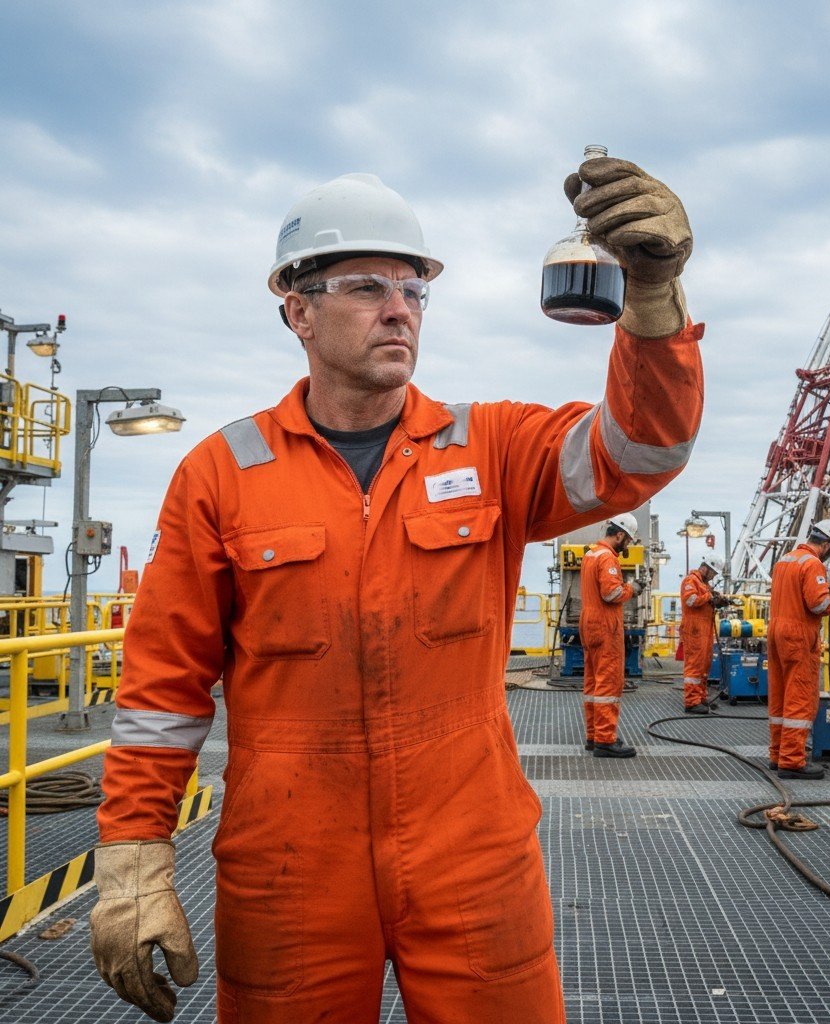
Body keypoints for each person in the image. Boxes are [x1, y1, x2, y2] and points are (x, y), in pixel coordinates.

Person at [88, 158, 705, 1024]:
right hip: (290, 869)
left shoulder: (489, 449)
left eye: (416, 289)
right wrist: (135, 859)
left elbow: (643, 451)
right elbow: (162, 692)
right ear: (297, 311)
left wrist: (652, 302)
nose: (399, 308)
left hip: (473, 859)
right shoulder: (222, 475)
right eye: (368, 285)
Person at [766, 519, 830, 779]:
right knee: (799, 697)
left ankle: (778, 753)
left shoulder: (786, 559)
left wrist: (826, 589)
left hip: (776, 631)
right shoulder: (813, 563)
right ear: (826, 544)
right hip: (798, 635)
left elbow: (797, 593)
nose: (829, 556)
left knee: (780, 694)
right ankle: (792, 761)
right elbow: (818, 605)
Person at [579, 513, 646, 758]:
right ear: (619, 534)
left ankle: (593, 736)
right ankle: (606, 740)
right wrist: (633, 589)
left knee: (592, 681)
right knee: (607, 682)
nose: (627, 545)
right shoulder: (608, 557)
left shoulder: (590, 554)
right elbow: (611, 593)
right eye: (627, 540)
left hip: (588, 622)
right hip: (605, 625)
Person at [678, 555, 727, 714]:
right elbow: (690, 600)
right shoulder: (690, 581)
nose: (713, 576)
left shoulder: (704, 585)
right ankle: (691, 702)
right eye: (713, 572)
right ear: (705, 567)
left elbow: (706, 600)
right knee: (694, 665)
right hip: (694, 629)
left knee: (704, 664)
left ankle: (700, 698)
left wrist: (718, 600)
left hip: (704, 629)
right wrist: (710, 597)